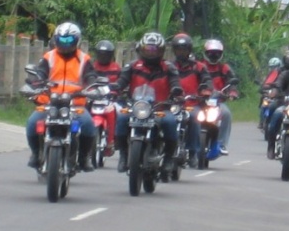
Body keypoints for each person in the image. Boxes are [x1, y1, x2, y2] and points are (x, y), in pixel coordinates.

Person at [25, 22, 97, 173]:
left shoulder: (84, 59)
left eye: (69, 40)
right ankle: (35, 153)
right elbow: (40, 74)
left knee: (89, 125)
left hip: (75, 104)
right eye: (62, 40)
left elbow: (91, 76)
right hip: (49, 102)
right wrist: (35, 83)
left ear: (76, 40)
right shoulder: (48, 57)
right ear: (56, 39)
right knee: (32, 122)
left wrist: (92, 87)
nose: (65, 44)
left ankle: (84, 157)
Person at [113, 32, 183, 174]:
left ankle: (169, 158)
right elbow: (121, 81)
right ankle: (123, 154)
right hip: (136, 107)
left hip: (160, 108)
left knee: (170, 122)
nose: (151, 53)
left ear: (161, 51)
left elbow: (175, 83)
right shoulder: (132, 66)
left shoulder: (169, 68)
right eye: (148, 49)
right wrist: (115, 88)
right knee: (121, 118)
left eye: (154, 50)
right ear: (141, 49)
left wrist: (176, 90)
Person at [171, 33, 212, 167]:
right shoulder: (169, 66)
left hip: (191, 104)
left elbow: (207, 82)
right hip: (172, 104)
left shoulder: (199, 67)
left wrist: (205, 91)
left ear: (189, 50)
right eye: (178, 49)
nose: (181, 52)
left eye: (184, 49)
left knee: (195, 118)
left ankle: (192, 151)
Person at [202, 39, 239, 155]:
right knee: (189, 115)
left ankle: (221, 143)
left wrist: (232, 92)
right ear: (206, 53)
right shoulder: (200, 66)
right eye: (211, 53)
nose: (214, 56)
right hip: (201, 100)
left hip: (218, 101)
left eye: (217, 53)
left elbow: (231, 82)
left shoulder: (224, 68)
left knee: (227, 114)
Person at [93, 40, 121, 156]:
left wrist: (117, 91)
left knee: (120, 114)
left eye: (106, 55)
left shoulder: (116, 68)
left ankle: (113, 140)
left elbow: (122, 83)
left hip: (111, 100)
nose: (103, 57)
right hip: (94, 99)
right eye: (101, 54)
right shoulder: (92, 67)